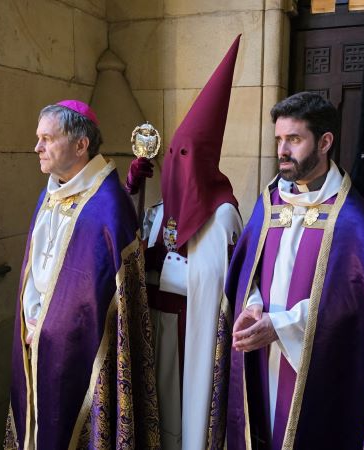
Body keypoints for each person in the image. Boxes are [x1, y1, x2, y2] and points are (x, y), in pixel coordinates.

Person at [225, 91, 364, 449]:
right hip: (263, 358)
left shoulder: (350, 220)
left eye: (294, 139)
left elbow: (355, 308)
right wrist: (254, 303)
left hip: (319, 365)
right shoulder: (270, 201)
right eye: (279, 139)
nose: (282, 150)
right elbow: (249, 270)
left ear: (325, 142)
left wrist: (280, 326)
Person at [6, 100, 159, 449]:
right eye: (38, 138)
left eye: (47, 138)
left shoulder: (107, 208)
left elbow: (101, 299)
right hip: (35, 339)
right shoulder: (52, 194)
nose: (37, 147)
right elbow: (35, 271)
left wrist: (45, 327)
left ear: (80, 145)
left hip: (83, 355)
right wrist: (32, 321)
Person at [123, 36, 242, 450]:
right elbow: (132, 245)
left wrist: (163, 270)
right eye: (173, 152)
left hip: (193, 332)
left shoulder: (223, 213)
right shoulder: (160, 209)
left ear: (206, 161)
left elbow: (217, 282)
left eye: (185, 153)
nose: (176, 161)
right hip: (156, 327)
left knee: (184, 417)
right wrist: (133, 187)